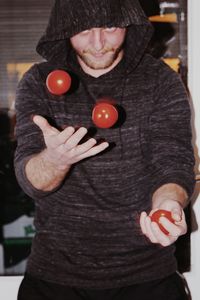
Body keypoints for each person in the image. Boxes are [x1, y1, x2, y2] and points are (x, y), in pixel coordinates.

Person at [15, 0, 195, 299]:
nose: (98, 43)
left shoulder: (160, 80)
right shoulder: (37, 81)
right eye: (83, 29)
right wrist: (55, 160)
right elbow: (31, 181)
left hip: (148, 275)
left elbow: (173, 162)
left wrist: (168, 203)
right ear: (65, 30)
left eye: (110, 27)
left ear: (128, 25)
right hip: (55, 277)